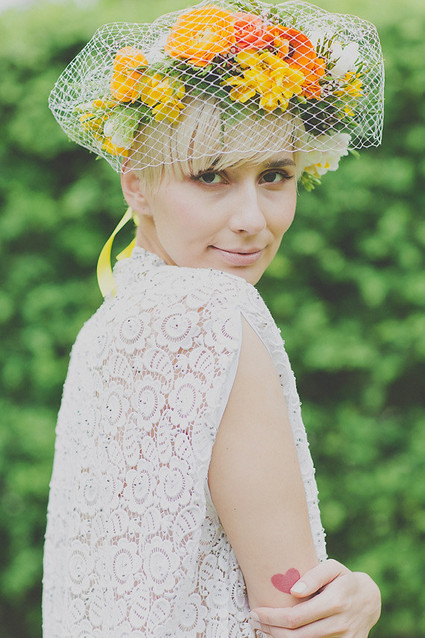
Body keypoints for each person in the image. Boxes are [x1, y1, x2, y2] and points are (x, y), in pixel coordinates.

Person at [43, 1, 384, 636]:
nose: (253, 218)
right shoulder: (213, 312)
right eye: (211, 177)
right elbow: (298, 615)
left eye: (275, 175)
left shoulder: (109, 323)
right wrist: (359, 602)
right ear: (136, 184)